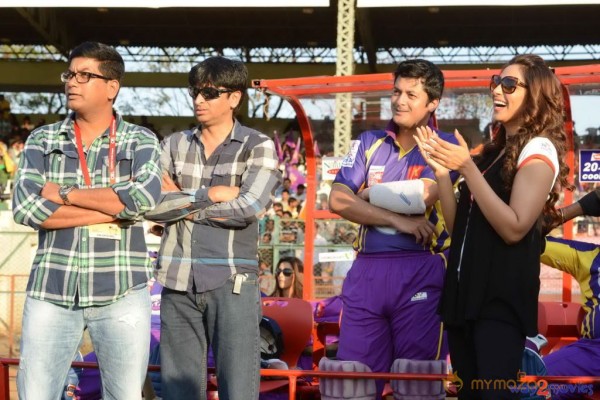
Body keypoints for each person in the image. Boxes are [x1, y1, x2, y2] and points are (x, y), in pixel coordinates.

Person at [11, 41, 161, 400]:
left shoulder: (140, 140)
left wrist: (64, 193)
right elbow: (26, 209)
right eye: (70, 74)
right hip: (52, 287)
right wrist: (114, 204)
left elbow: (143, 200)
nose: (71, 82)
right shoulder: (42, 139)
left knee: (124, 395)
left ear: (112, 87)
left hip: (122, 288)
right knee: (36, 393)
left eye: (84, 75)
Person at [415, 54, 570, 399]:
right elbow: (459, 230)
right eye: (496, 83)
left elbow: (515, 227)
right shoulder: (493, 152)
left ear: (536, 95)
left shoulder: (539, 148)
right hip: (464, 299)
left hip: (498, 303)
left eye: (509, 84)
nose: (498, 90)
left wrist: (467, 167)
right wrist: (442, 172)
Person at [144, 56, 281, 400]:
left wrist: (184, 205)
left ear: (235, 98)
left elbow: (249, 207)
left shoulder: (258, 145)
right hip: (176, 281)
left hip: (233, 280)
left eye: (209, 92)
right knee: (178, 392)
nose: (198, 100)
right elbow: (150, 204)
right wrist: (212, 195)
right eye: (195, 91)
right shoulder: (173, 144)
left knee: (238, 389)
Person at [328, 59, 458, 399]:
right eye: (396, 91)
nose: (400, 101)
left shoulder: (445, 146)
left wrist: (366, 194)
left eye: (411, 94)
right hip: (366, 273)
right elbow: (337, 200)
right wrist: (397, 219)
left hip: (421, 271)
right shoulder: (368, 140)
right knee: (349, 385)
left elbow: (422, 195)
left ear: (432, 103)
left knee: (418, 384)